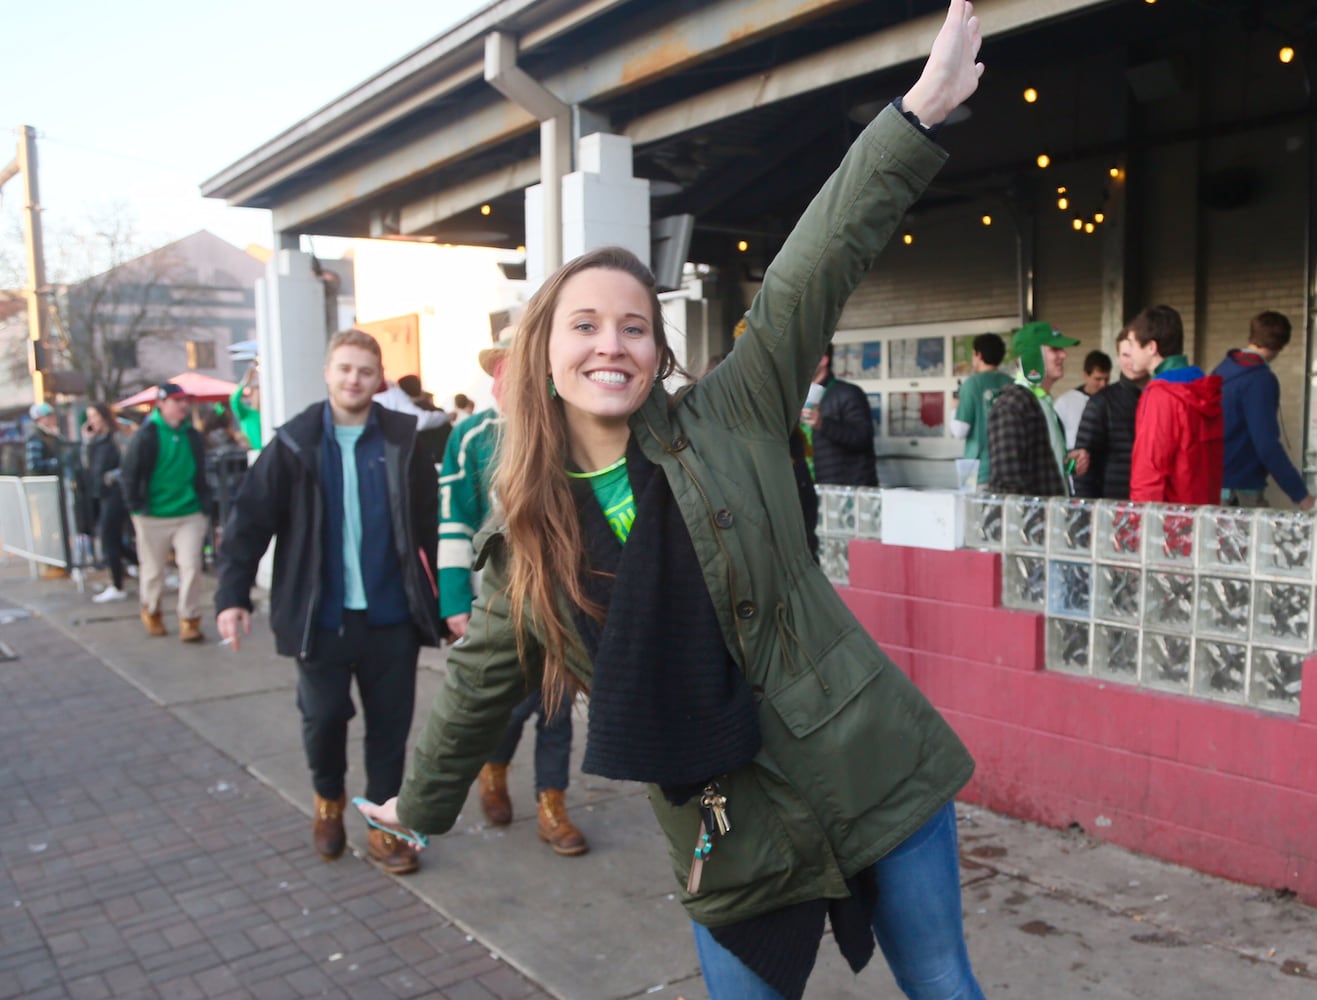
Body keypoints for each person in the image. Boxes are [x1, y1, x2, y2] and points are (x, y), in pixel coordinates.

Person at [362, 5, 986, 997]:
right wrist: (417, 802)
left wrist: (916, 113)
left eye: (634, 326)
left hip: (871, 759)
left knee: (943, 983)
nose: (610, 343)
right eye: (585, 325)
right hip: (724, 819)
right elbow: (482, 674)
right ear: (545, 351)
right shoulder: (526, 525)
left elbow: (811, 268)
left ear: (657, 352)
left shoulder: (729, 414)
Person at [215, 328, 444, 877]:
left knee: (390, 730)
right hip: (321, 619)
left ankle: (385, 824)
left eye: (365, 371)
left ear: (378, 378)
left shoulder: (402, 438)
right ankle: (328, 802)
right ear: (328, 372)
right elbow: (248, 522)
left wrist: (446, 597)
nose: (354, 380)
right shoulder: (294, 443)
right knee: (323, 721)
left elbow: (429, 527)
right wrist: (232, 595)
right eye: (344, 368)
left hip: (392, 618)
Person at [440, 329, 588, 856]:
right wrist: (455, 601)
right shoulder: (474, 435)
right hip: (499, 602)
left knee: (556, 706)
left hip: (564, 599)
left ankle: (553, 804)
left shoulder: (574, 426)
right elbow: (454, 521)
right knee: (510, 705)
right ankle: (494, 767)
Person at [120, 383, 210, 642]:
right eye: (176, 401)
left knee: (191, 566)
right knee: (153, 569)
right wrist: (135, 509)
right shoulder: (146, 436)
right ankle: (152, 610)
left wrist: (204, 504)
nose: (183, 405)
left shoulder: (192, 434)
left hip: (189, 512)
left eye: (185, 401)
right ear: (161, 403)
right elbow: (130, 473)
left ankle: (189, 618)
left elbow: (201, 470)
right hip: (153, 515)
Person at [1212, 310, 1314, 510]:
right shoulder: (1260, 380)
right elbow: (1266, 444)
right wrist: (1302, 496)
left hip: (1213, 484)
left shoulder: (1221, 371)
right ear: (1282, 345)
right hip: (1240, 490)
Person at [1127, 307, 1223, 505]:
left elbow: (1149, 472)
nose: (1129, 353)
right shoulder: (1205, 391)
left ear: (1151, 347)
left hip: (1171, 525)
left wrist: (1139, 526)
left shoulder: (1161, 396)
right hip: (1204, 519)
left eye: (1132, 344)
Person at [987, 321, 1087, 497]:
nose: (1064, 355)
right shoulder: (1012, 405)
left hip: (1052, 519)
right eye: (1054, 350)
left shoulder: (1043, 402)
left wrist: (1066, 462)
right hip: (1035, 522)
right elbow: (1008, 483)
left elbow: (1036, 466)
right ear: (1033, 355)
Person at [1072, 309, 1163, 500]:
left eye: (1133, 353)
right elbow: (1083, 466)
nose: (1129, 361)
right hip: (1113, 507)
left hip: (1154, 503)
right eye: (1124, 355)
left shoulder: (1163, 397)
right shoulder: (1101, 402)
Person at [801, 344, 878, 486]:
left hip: (846, 490)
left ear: (824, 360)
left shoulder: (849, 393)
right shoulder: (799, 396)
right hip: (811, 487)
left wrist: (822, 424)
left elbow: (863, 438)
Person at [82, 403, 130, 603]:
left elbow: (129, 462)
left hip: (116, 493)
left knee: (109, 538)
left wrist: (113, 477)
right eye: (89, 416)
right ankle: (151, 568)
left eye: (94, 415)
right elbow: (86, 464)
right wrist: (86, 441)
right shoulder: (95, 440)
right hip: (101, 493)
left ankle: (117, 584)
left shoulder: (116, 436)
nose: (92, 420)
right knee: (113, 541)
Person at [950, 333, 1012, 489]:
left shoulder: (971, 384)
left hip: (978, 471)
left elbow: (959, 431)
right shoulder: (1012, 383)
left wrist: (954, 407)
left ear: (979, 355)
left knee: (973, 513)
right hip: (1008, 468)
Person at [1054, 349, 1111, 449]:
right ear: (1086, 375)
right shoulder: (1065, 403)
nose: (1103, 384)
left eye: (1106, 379)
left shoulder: (1113, 401)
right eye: (1098, 379)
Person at [230, 361, 262, 451]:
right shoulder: (246, 414)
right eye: (257, 391)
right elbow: (234, 400)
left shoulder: (267, 414)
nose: (259, 395)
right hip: (254, 454)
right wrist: (245, 381)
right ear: (251, 394)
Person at [25, 402, 64, 475]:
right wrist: (56, 462)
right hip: (42, 483)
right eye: (48, 415)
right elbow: (34, 465)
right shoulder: (35, 438)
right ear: (39, 419)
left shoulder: (55, 436)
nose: (53, 418)